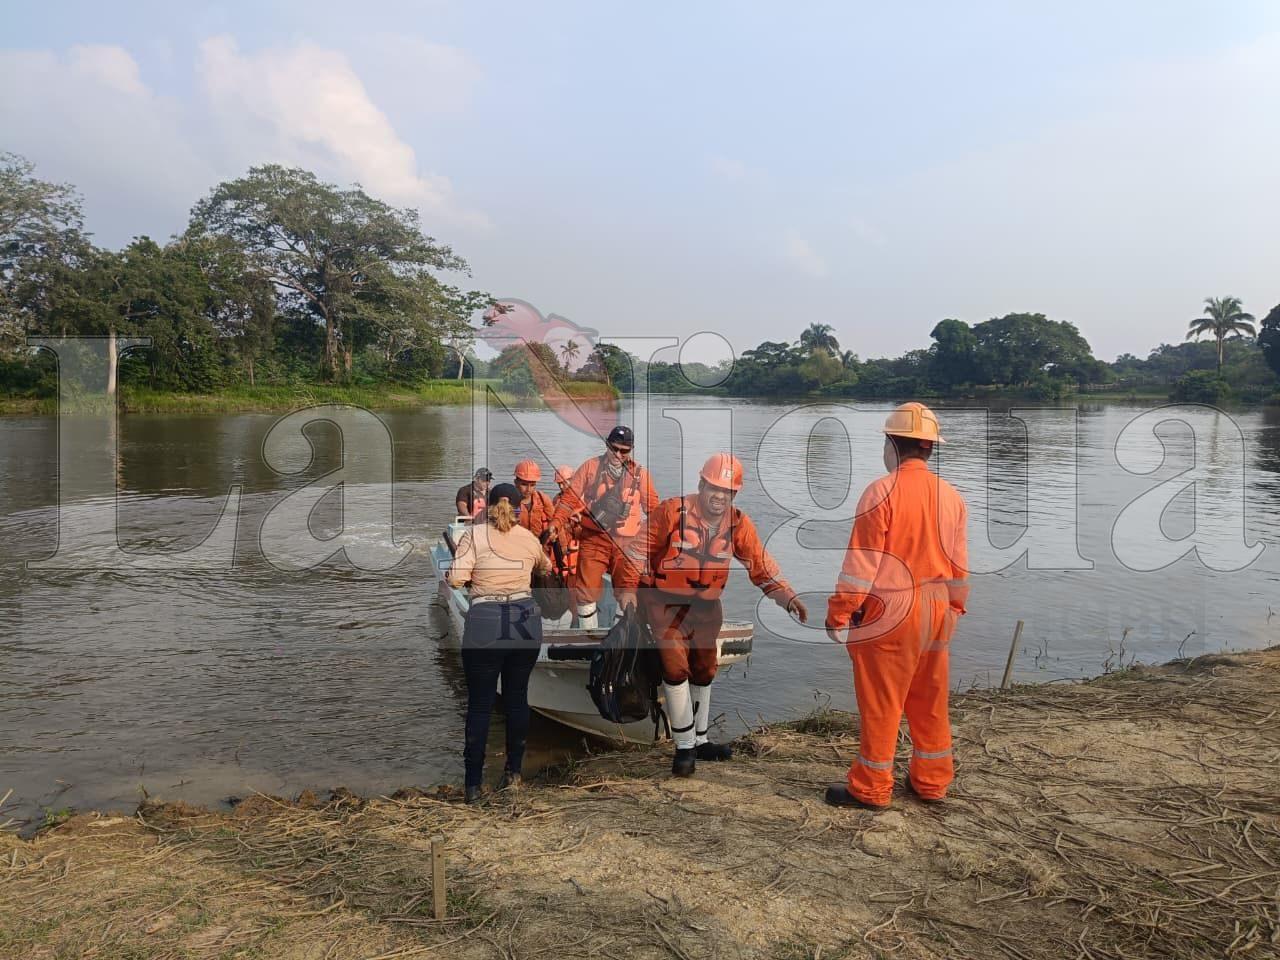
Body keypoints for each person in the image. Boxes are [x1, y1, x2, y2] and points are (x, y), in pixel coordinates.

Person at [616, 453, 809, 777]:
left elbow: (761, 565)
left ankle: (700, 739)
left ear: (734, 494)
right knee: (675, 668)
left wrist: (787, 596)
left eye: (727, 491)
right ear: (701, 484)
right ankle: (684, 748)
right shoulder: (672, 512)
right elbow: (637, 550)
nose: (719, 496)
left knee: (705, 669)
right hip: (665, 603)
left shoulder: (739, 524)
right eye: (714, 488)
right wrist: (626, 590)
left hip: (706, 607)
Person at [823, 402, 969, 810]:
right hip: (937, 607)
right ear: (930, 447)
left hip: (890, 610)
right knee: (930, 699)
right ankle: (932, 782)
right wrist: (955, 609)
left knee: (882, 702)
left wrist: (839, 611)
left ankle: (871, 787)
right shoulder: (951, 497)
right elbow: (959, 566)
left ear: (891, 444)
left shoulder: (880, 492)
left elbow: (861, 565)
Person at [446, 482, 551, 803]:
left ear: (486, 508)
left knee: (480, 704)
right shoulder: (529, 538)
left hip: (487, 621)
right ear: (520, 509)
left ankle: (473, 786)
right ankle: (513, 774)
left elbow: (456, 579)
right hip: (525, 620)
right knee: (518, 699)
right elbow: (545, 567)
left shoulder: (473, 535)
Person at [550, 426, 660, 629]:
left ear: (631, 450)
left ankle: (623, 635)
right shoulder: (590, 467)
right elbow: (569, 500)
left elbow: (654, 510)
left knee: (628, 590)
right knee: (585, 592)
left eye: (624, 451)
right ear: (607, 445)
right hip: (594, 538)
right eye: (614, 448)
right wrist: (556, 523)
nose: (618, 454)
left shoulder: (641, 475)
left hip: (627, 543)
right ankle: (588, 635)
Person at [514, 460, 556, 539]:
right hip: (518, 543)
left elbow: (555, 521)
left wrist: (553, 531)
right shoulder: (509, 501)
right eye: (524, 484)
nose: (528, 489)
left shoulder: (543, 499)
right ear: (516, 483)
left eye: (532, 485)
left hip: (539, 543)